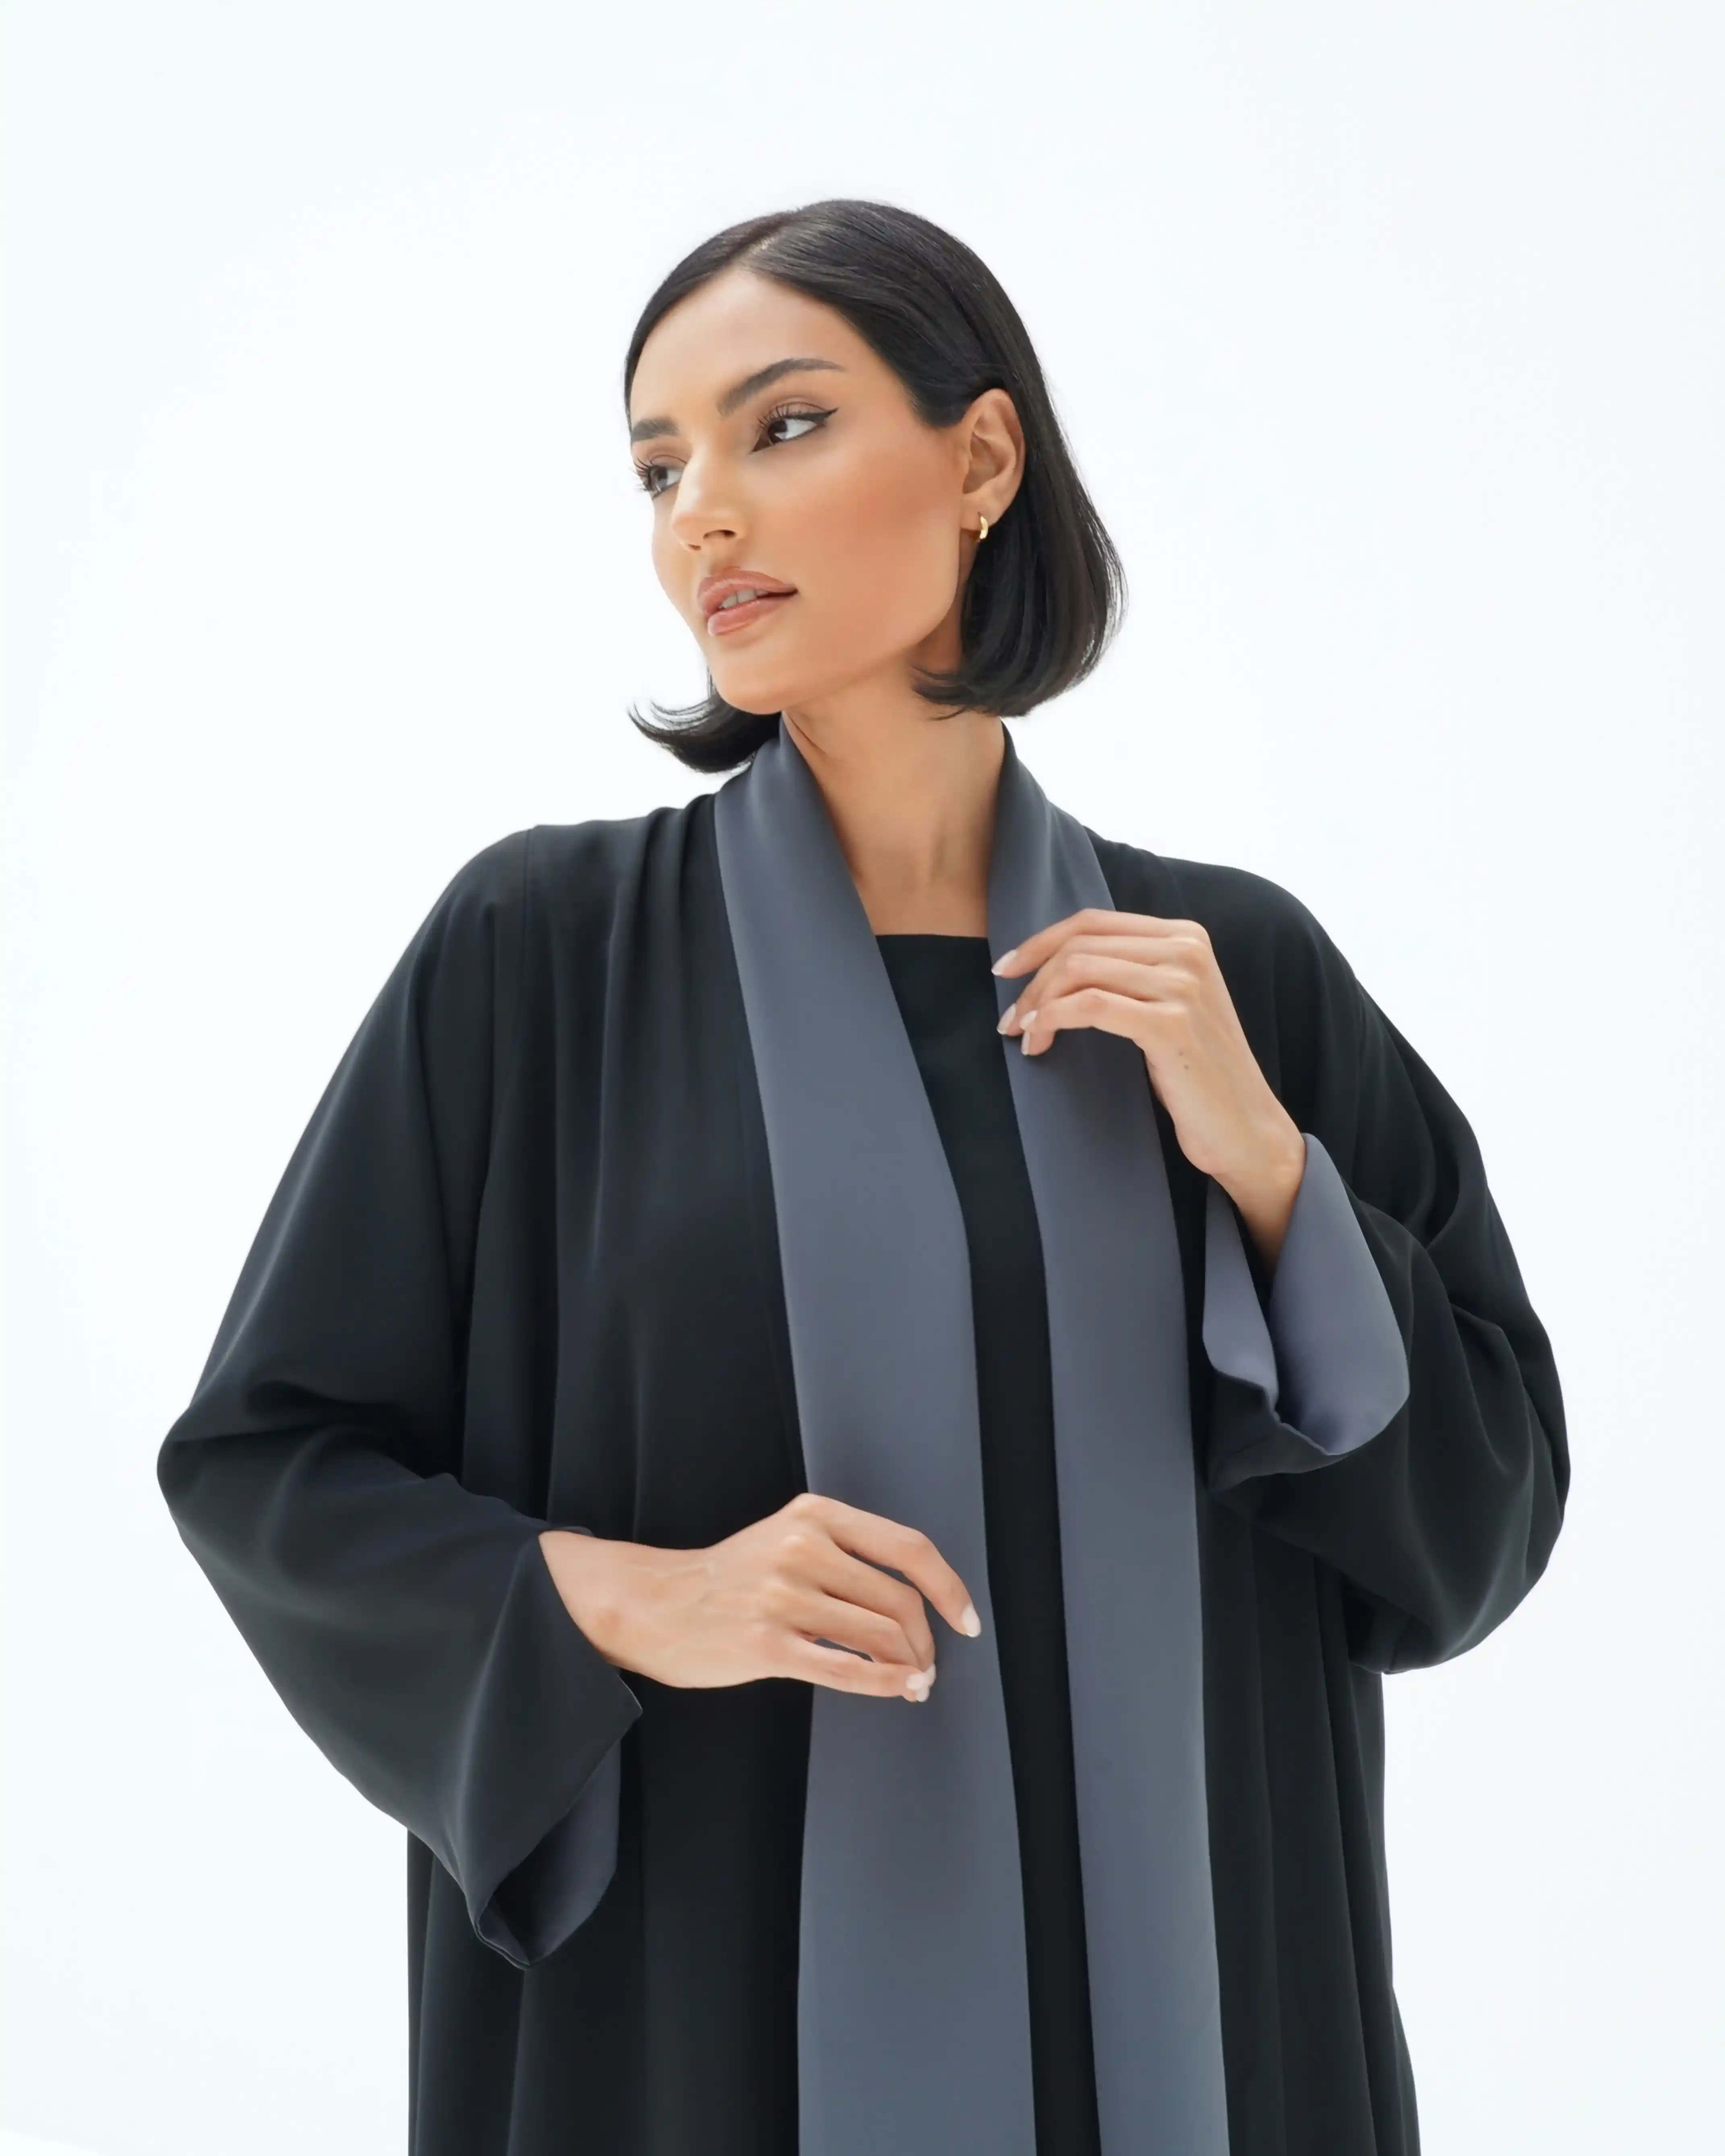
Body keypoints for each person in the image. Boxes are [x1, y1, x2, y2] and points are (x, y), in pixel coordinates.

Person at [157, 198, 1569, 2156]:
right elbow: (268, 1465)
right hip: (701, 2021)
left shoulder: (1232, 973)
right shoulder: (542, 958)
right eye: (660, 469)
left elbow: (1479, 1519)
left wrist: (1265, 1168)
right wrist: (638, 1600)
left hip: (1208, 2039)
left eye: (786, 425)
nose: (704, 516)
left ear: (982, 459)